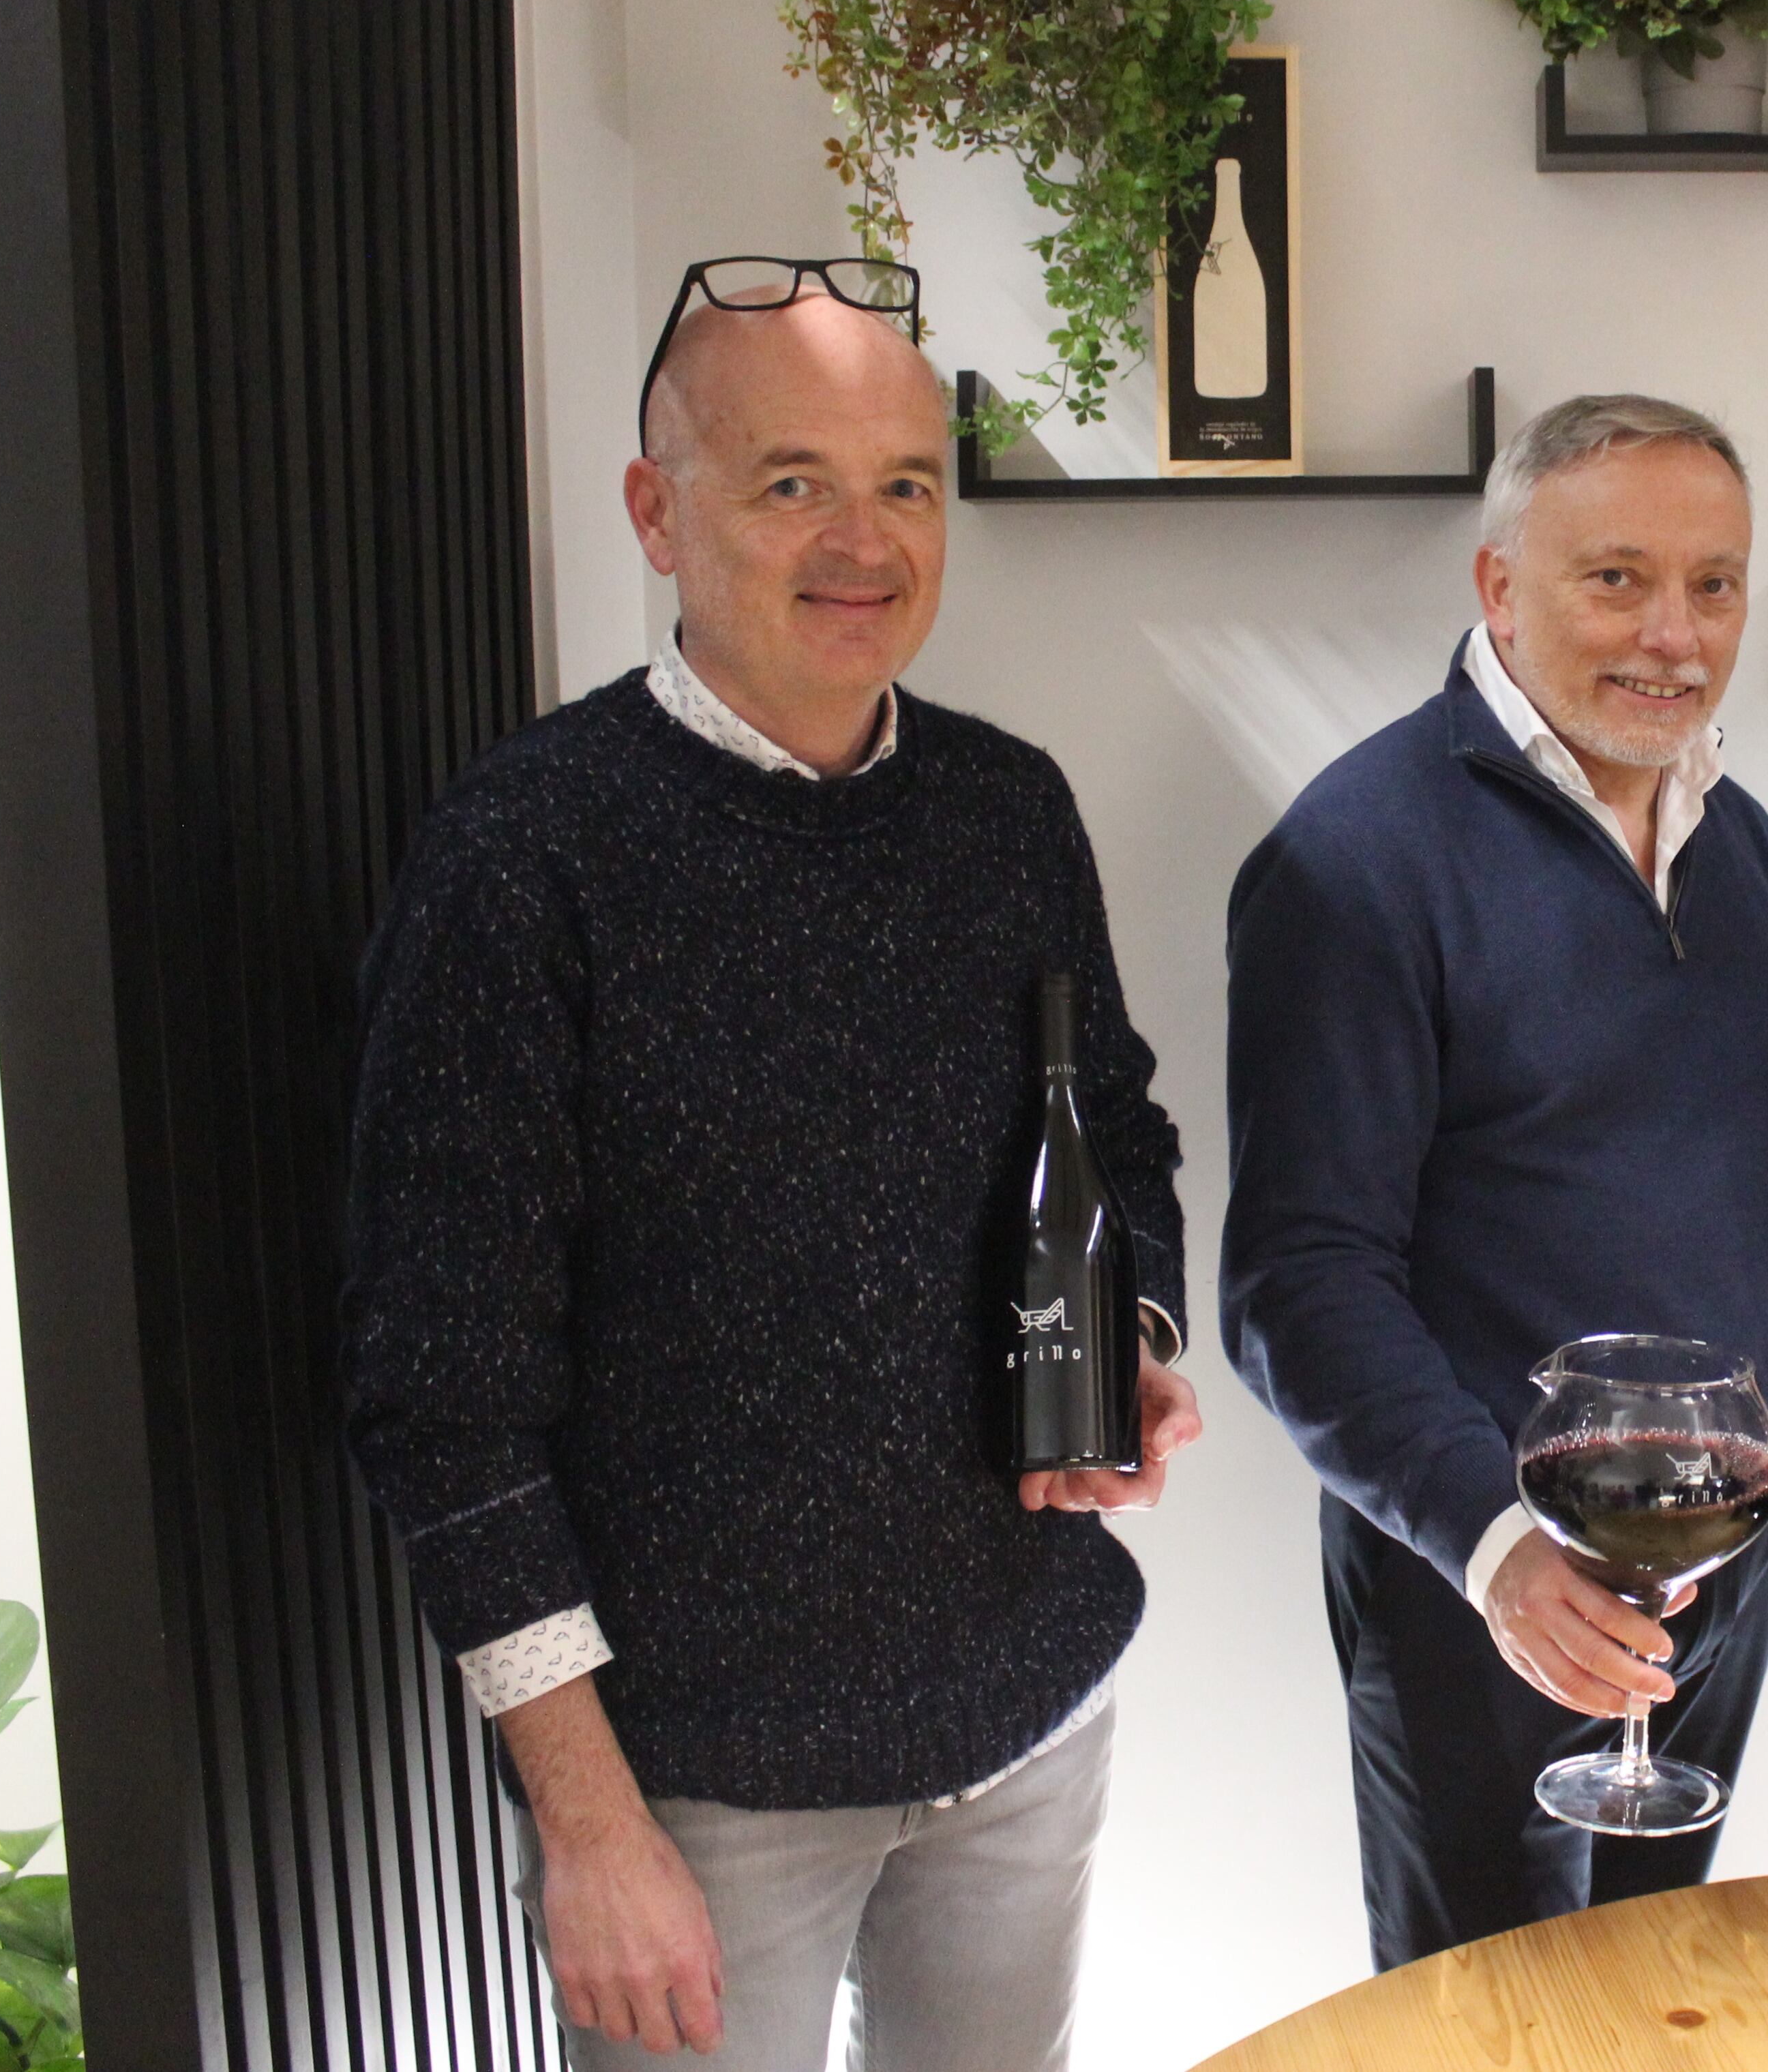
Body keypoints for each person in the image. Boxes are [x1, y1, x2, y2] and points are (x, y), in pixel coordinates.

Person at [342, 258, 1200, 2072]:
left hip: (1026, 1709)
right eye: (791, 479)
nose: (865, 538)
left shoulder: (1007, 804)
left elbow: (1111, 1121)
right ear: (658, 512)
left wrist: (1136, 1327)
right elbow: (441, 1392)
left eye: (906, 481)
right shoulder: (525, 854)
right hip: (700, 1787)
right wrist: (586, 1821)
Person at [1220, 393, 1768, 1969]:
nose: (1675, 634)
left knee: (1651, 1984)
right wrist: (1493, 1550)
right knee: (1488, 2007)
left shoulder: (1743, 847)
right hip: (1490, 1568)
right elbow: (1298, 1280)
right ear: (1496, 588)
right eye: (1616, 578)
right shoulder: (1359, 857)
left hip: (1727, 1534)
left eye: (1716, 583)